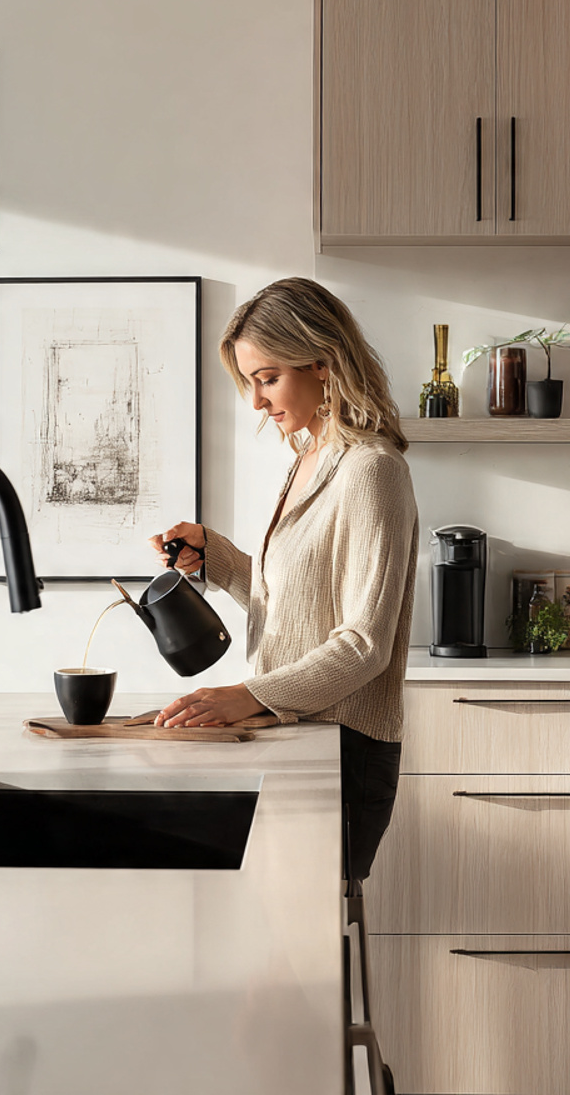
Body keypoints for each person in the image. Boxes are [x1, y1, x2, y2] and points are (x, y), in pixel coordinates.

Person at [148, 276, 418, 882]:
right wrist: (213, 555)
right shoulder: (308, 458)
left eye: (266, 378)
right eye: (249, 381)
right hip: (296, 728)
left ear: (323, 363)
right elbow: (291, 603)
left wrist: (245, 696)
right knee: (276, 942)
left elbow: (364, 645)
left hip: (345, 746)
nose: (255, 401)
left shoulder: (371, 470)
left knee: (306, 950)